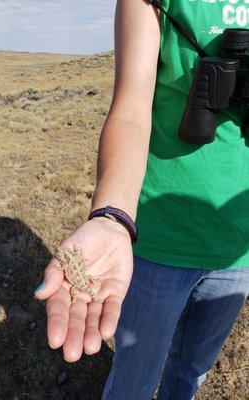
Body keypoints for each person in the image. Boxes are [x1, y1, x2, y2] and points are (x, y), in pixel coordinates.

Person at [34, 0, 249, 399]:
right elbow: (132, 107)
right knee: (134, 380)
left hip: (239, 244)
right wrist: (111, 217)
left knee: (191, 373)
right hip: (159, 235)